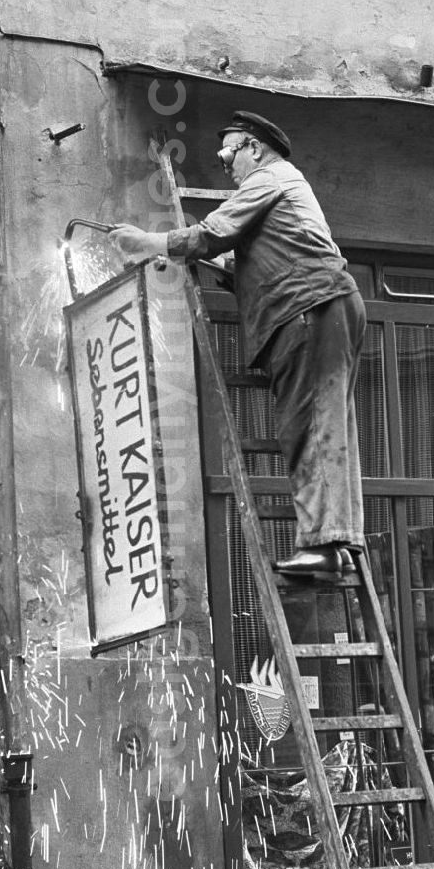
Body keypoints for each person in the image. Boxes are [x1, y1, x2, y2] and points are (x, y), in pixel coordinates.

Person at [109, 111, 365, 574]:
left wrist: (149, 242)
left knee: (311, 422)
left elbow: (213, 233)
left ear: (254, 147)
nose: (225, 163)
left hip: (309, 305)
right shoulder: (282, 195)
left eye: (228, 152)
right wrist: (184, 257)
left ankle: (326, 544)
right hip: (317, 305)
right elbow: (246, 264)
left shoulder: (269, 177)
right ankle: (336, 543)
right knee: (320, 422)